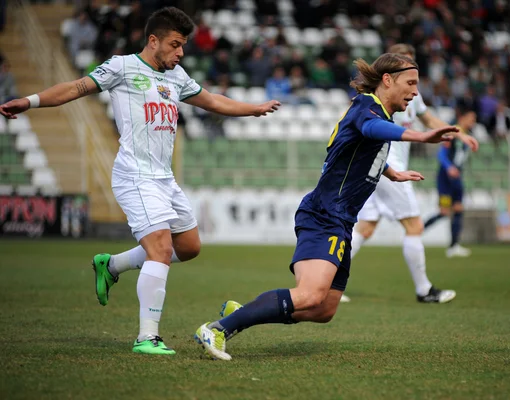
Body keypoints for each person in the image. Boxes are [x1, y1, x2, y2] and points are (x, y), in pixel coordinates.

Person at [0, 7, 280, 355]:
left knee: (189, 247)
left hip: (164, 178)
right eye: (175, 45)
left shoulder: (176, 77)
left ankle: (112, 264)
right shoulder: (122, 67)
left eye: (183, 46)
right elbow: (75, 87)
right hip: (134, 174)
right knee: (161, 250)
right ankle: (147, 337)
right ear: (153, 40)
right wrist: (30, 102)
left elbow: (212, 101)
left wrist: (252, 108)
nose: (180, 53)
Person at [196, 53, 460, 361]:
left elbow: (359, 146)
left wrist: (391, 172)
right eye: (411, 83)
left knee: (324, 310)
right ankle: (217, 328)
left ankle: (243, 314)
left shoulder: (375, 113)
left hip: (341, 219)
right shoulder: (366, 107)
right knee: (310, 295)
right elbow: (372, 131)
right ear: (388, 80)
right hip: (324, 213)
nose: (416, 92)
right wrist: (421, 135)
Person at [341, 44, 478, 305]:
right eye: (408, 75)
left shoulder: (413, 98)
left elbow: (429, 120)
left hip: (377, 165)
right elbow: (373, 125)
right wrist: (422, 138)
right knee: (414, 226)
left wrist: (458, 132)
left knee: (366, 228)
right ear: (390, 75)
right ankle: (424, 290)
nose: (413, 85)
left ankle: (329, 283)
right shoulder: (376, 101)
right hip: (388, 163)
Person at [423, 107, 478, 257]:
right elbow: (441, 154)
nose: (473, 122)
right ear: (463, 117)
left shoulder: (467, 135)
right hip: (446, 177)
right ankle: (416, 231)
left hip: (456, 177)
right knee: (444, 212)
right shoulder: (453, 133)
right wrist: (449, 167)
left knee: (459, 208)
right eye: (471, 118)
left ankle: (454, 246)